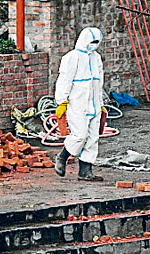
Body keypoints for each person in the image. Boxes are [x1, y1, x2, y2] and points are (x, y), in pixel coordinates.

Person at [53, 27, 106, 182]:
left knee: (92, 138)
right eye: (92, 42)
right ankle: (62, 157)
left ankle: (85, 171)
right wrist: (62, 101)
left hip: (94, 104)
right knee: (79, 135)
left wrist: (101, 104)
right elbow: (64, 80)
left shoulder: (96, 58)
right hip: (77, 103)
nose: (94, 45)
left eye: (97, 42)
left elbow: (99, 83)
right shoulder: (72, 57)